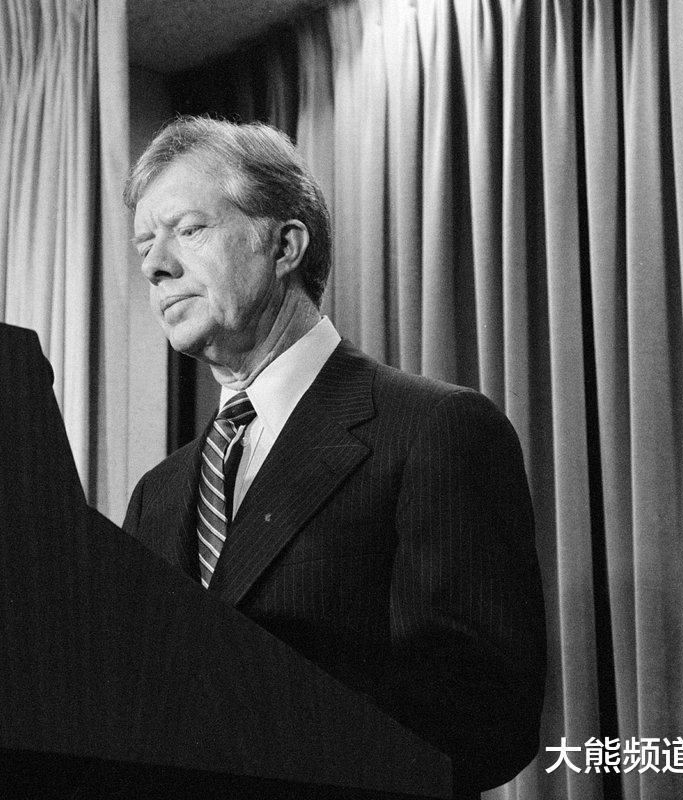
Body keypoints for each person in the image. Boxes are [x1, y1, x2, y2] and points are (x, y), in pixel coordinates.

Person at [121, 116, 546, 797]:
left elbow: (484, 711)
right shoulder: (158, 494)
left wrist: (257, 722)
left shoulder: (434, 428)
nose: (155, 265)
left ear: (285, 244)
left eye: (188, 230)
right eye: (146, 244)